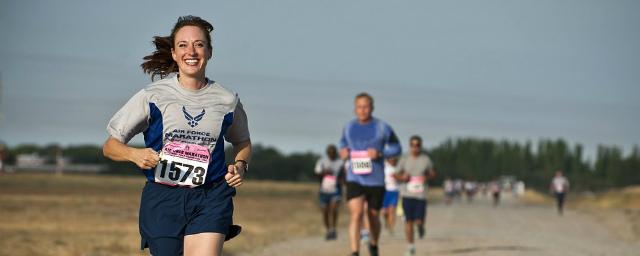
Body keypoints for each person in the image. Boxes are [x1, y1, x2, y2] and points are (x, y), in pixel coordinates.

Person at [102, 15, 251, 256]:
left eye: (199, 44)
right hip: (163, 198)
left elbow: (242, 141)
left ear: (210, 52)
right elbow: (110, 147)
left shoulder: (227, 100)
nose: (191, 51)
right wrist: (134, 155)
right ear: (173, 53)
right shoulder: (152, 96)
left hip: (211, 195)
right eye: (183, 45)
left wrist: (241, 164)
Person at [340, 92, 402, 256]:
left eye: (366, 106)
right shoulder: (349, 127)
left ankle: (374, 245)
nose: (363, 110)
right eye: (359, 107)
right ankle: (355, 252)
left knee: (373, 216)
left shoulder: (383, 127)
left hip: (375, 180)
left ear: (372, 108)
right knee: (356, 214)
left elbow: (397, 147)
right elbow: (342, 145)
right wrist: (344, 152)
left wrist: (380, 153)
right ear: (355, 109)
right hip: (355, 177)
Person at [395, 135, 436, 256]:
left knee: (418, 221)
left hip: (421, 195)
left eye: (417, 145)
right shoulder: (404, 159)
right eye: (412, 145)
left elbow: (433, 172)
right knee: (408, 221)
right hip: (407, 194)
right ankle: (410, 246)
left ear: (420, 146)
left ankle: (421, 227)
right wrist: (402, 177)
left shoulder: (426, 160)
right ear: (409, 146)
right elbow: (396, 174)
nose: (415, 147)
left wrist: (427, 177)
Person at [314, 144, 344, 240]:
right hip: (324, 190)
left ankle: (333, 228)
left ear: (336, 153)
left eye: (333, 153)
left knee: (334, 209)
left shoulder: (340, 162)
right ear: (327, 153)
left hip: (336, 190)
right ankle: (328, 230)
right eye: (330, 153)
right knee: (325, 211)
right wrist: (324, 173)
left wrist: (341, 181)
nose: (332, 154)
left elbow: (344, 175)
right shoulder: (321, 161)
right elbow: (316, 173)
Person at [381, 157, 400, 234]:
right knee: (384, 212)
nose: (392, 160)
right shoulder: (384, 165)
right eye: (391, 158)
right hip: (385, 191)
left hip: (395, 191)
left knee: (392, 210)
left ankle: (391, 227)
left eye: (394, 158)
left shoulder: (398, 167)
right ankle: (386, 221)